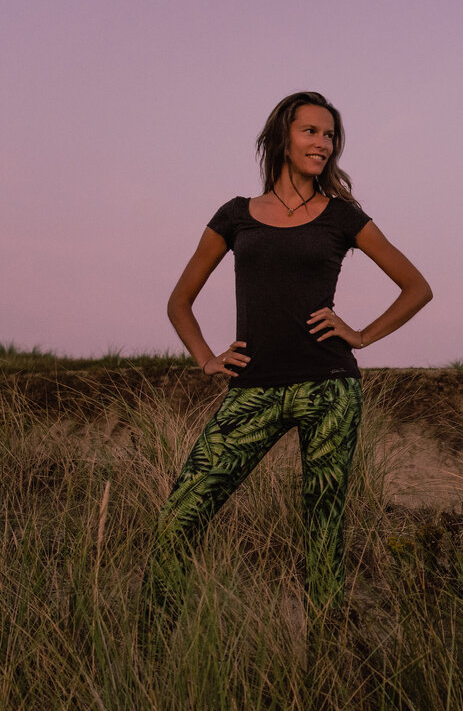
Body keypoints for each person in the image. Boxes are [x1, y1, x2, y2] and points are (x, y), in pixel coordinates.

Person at [143, 91, 432, 637]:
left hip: (329, 389)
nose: (322, 144)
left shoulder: (343, 217)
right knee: (179, 519)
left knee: (322, 539)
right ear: (282, 136)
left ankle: (323, 674)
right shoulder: (234, 216)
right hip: (254, 388)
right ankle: (149, 655)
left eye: (330, 136)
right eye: (311, 132)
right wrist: (206, 358)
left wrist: (362, 335)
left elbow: (417, 287)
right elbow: (179, 301)